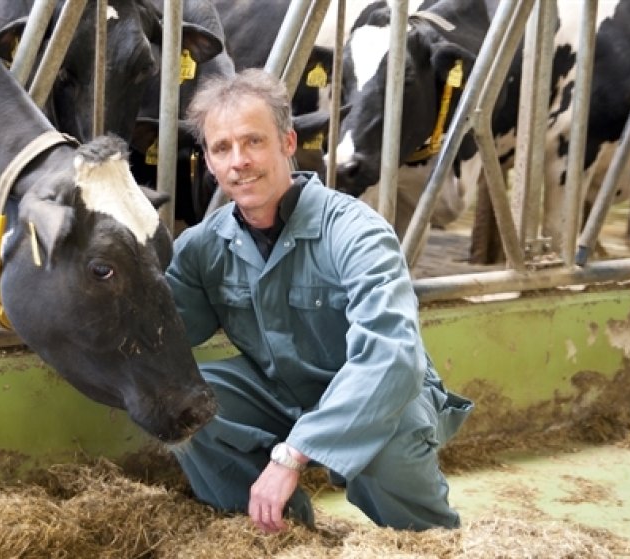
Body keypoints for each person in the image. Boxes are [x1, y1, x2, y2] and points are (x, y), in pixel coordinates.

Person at [165, 68, 473, 533]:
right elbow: (161, 337)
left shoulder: (355, 231)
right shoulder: (202, 248)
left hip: (381, 393)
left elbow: (392, 355)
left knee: (388, 452)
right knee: (183, 402)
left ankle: (426, 538)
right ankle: (273, 532)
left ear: (288, 142)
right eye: (222, 147)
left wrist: (293, 453)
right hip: (280, 393)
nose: (238, 161)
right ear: (208, 161)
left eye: (253, 142)